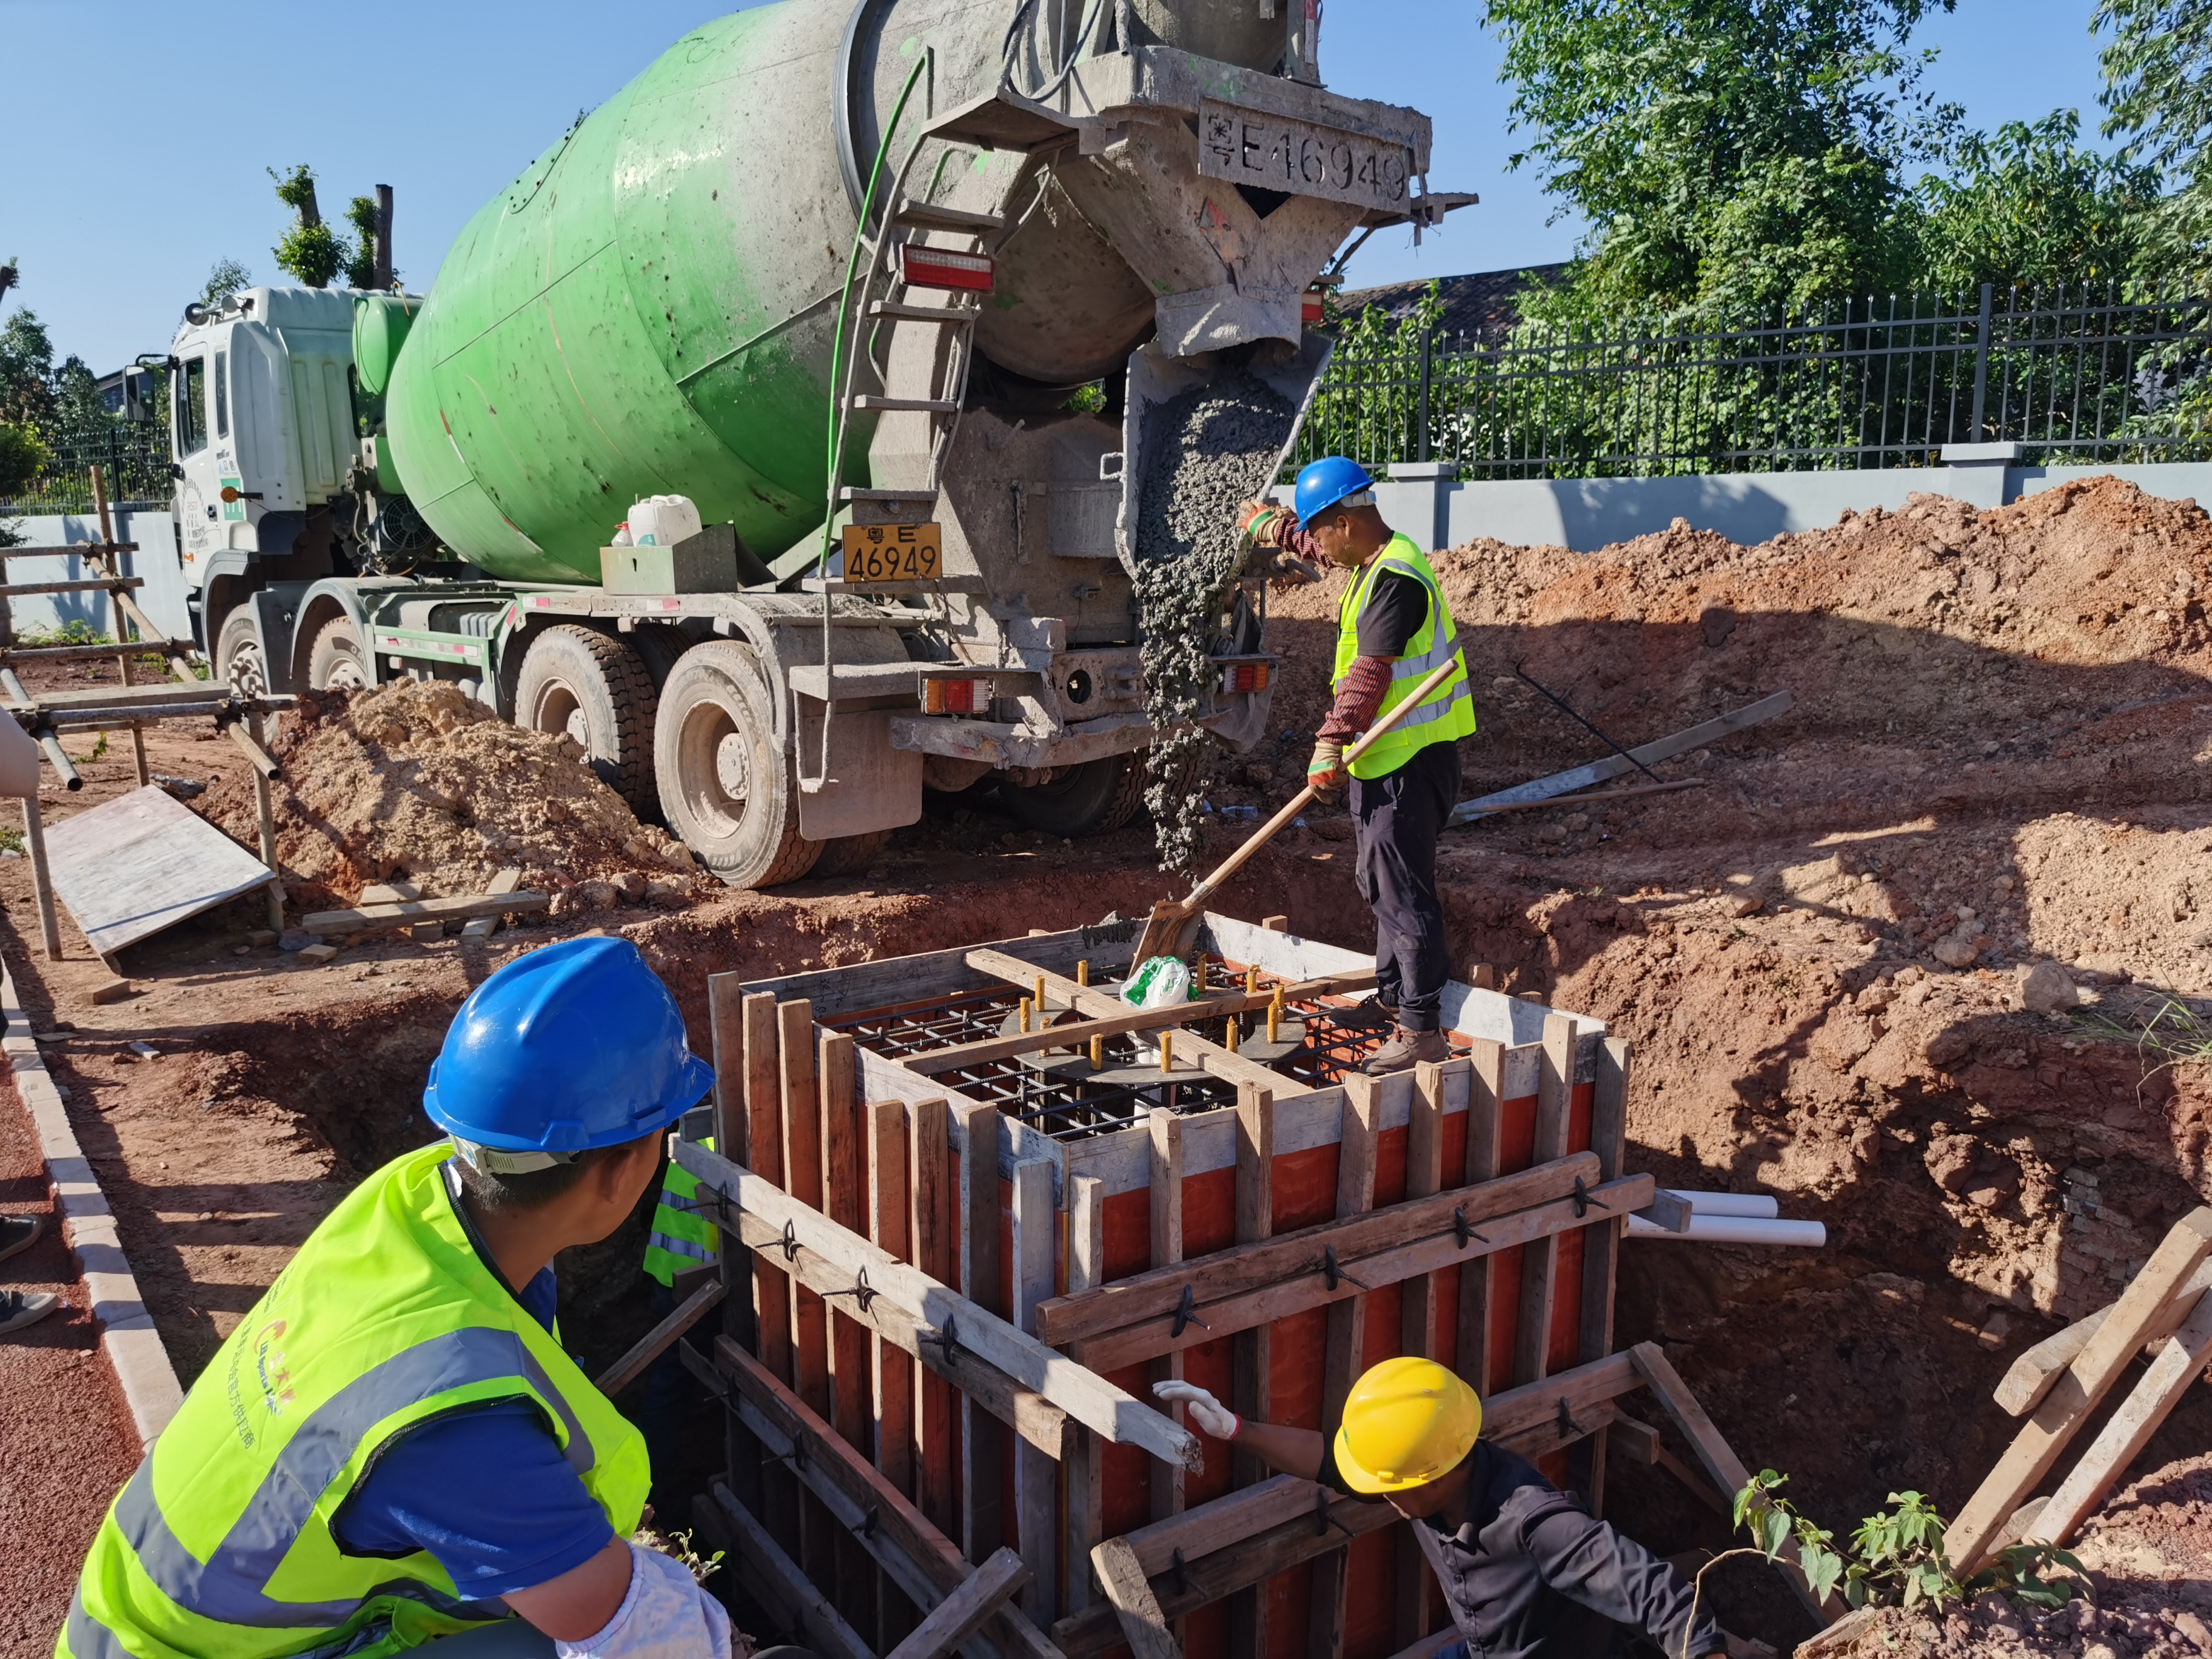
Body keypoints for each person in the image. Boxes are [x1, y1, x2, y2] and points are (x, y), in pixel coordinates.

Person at [61, 936, 736, 1659]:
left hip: (127, 1624)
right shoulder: (458, 1420)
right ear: (618, 1172)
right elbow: (636, 1627)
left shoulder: (407, 1204)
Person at [1155, 1359, 1728, 1659]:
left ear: (1428, 1477)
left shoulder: (1534, 1521)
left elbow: (1659, 1594)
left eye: (1386, 1486)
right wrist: (1235, 1428)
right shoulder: (1432, 1473)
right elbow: (1329, 1458)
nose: (1378, 1495)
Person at [1241, 458, 1475, 1074]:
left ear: (1345, 522)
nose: (1315, 548)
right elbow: (1321, 551)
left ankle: (1421, 1030)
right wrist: (1276, 528)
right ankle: (1393, 997)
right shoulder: (1372, 558)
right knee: (1379, 882)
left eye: (1319, 533)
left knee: (1404, 894)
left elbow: (1369, 676)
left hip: (1410, 764)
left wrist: (1329, 741)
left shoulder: (1396, 582)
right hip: (1387, 758)